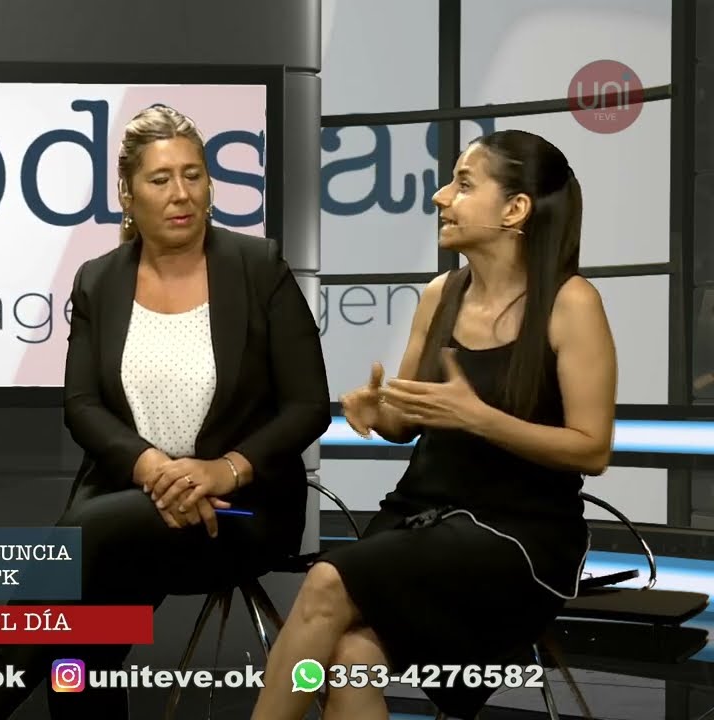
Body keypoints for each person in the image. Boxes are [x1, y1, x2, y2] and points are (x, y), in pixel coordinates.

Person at [0, 105, 331, 720]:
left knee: (85, 543)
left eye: (194, 175)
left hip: (239, 509)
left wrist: (224, 470)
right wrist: (152, 468)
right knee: (84, 629)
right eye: (161, 179)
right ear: (127, 194)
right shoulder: (99, 280)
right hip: (132, 501)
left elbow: (308, 405)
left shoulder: (258, 268)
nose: (182, 193)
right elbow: (82, 406)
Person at [249, 129, 618, 720]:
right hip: (421, 516)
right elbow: (409, 418)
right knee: (349, 656)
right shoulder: (439, 294)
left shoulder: (572, 303)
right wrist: (381, 412)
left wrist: (480, 418)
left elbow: (592, 449)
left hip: (519, 540)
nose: (441, 197)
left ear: (515, 209)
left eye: (464, 184)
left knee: (326, 582)